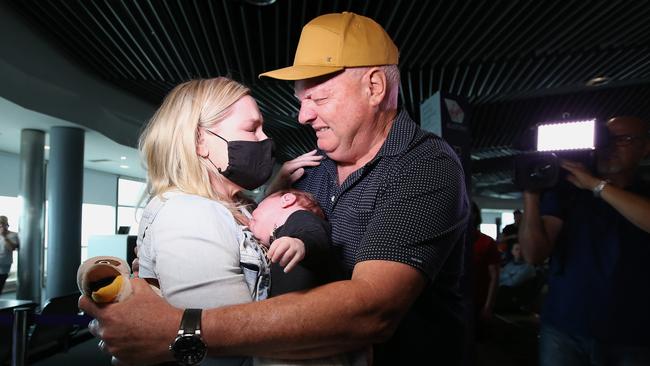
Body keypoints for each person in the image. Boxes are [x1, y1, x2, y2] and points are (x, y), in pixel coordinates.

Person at [80, 12, 469, 366]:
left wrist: (180, 328)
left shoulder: (424, 166)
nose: (303, 116)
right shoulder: (309, 170)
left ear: (374, 86)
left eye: (317, 97)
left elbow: (373, 312)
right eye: (300, 100)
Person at [134, 76, 275, 365]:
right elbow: (228, 348)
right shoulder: (189, 213)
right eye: (252, 128)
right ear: (200, 140)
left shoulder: (235, 206)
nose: (265, 139)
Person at [519, 116, 650, 365]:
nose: (610, 145)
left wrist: (595, 185)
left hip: (634, 333)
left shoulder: (643, 195)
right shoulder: (568, 191)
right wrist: (531, 195)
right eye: (605, 138)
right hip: (564, 327)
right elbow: (533, 255)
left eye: (623, 139)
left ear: (645, 148)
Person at [248, 188, 345, 296]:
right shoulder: (280, 239)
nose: (250, 219)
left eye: (259, 205)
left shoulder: (301, 216)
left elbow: (315, 234)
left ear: (287, 199)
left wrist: (299, 243)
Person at [469, 202, 500, 339]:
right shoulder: (456, 241)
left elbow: (494, 276)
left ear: (474, 215)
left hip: (477, 301)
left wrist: (488, 306)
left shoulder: (487, 243)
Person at [0, 215, 19, 294]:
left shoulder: (13, 235)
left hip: (4, 264)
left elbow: (12, 248)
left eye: (2, 224)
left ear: (6, 224)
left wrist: (4, 236)